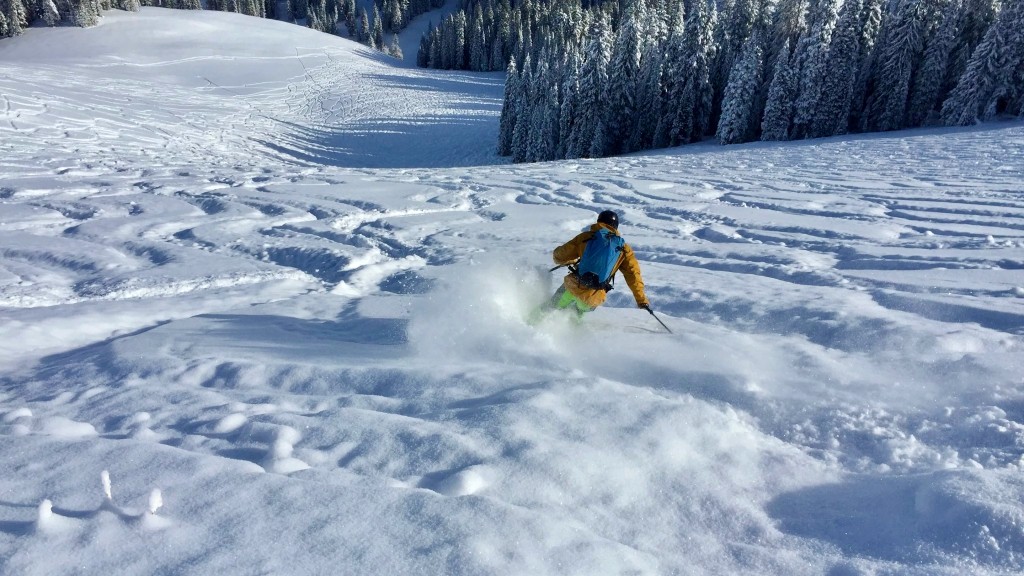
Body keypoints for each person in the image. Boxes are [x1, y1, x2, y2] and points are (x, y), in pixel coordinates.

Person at [541, 210, 650, 319]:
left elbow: (560, 256)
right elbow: (633, 275)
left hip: (573, 287)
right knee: (574, 318)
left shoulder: (586, 237)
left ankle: (529, 326)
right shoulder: (624, 249)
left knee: (549, 309)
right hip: (593, 298)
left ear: (599, 221)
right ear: (616, 227)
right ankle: (572, 334)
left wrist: (570, 260)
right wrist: (641, 301)